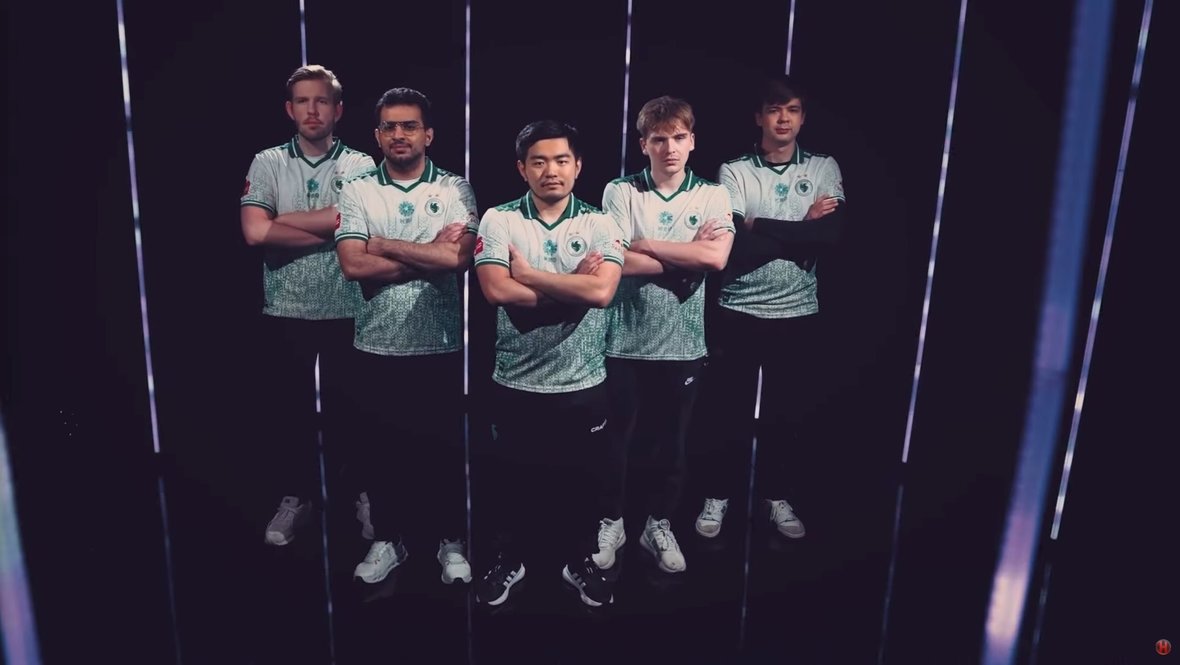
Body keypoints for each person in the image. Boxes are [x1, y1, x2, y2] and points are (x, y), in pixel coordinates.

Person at [471, 120, 625, 608]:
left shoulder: (600, 223)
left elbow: (602, 292)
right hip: (515, 379)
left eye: (561, 160)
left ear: (578, 166)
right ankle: (508, 560)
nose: (550, 170)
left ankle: (578, 561)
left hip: (583, 380)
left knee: (581, 485)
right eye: (538, 161)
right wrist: (572, 284)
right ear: (522, 168)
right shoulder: (499, 219)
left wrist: (530, 275)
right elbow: (496, 290)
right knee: (512, 483)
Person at [333, 87, 477, 585]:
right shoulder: (357, 190)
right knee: (382, 453)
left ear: (428, 134)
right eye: (389, 126)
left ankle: (451, 541)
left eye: (409, 125)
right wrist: (427, 253)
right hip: (375, 344)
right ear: (377, 136)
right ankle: (387, 540)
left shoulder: (455, 188)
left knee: (442, 451)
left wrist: (382, 245)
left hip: (439, 343)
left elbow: (459, 258)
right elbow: (353, 265)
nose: (399, 134)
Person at [692, 74, 845, 541]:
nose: (783, 119)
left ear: (803, 117)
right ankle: (717, 494)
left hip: (797, 313)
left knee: (787, 413)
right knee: (726, 413)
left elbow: (831, 235)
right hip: (738, 310)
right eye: (775, 110)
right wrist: (800, 229)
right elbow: (736, 248)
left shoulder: (822, 167)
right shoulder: (735, 170)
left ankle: (777, 496)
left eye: (793, 110)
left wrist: (761, 225)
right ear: (758, 117)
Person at [239, 64, 375, 547]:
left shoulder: (359, 163)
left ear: (338, 109)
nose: (312, 110)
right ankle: (295, 498)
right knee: (288, 413)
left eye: (321, 101)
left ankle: (361, 495)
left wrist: (284, 221)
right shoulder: (268, 161)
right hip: (286, 307)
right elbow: (254, 231)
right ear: (289, 109)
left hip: (347, 305)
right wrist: (331, 227)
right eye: (303, 101)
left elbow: (355, 223)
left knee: (352, 412)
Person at [600, 96, 734, 574]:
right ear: (644, 145)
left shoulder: (713, 194)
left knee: (671, 443)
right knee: (617, 441)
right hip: (623, 340)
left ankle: (659, 523)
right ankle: (612, 521)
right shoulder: (621, 190)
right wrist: (684, 258)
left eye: (679, 138)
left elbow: (716, 258)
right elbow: (614, 260)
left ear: (692, 141)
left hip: (683, 344)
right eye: (659, 139)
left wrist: (647, 245)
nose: (670, 148)